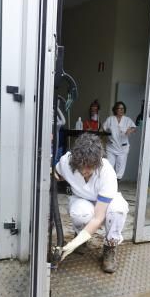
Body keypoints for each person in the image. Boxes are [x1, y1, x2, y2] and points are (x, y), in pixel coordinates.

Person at [55, 132, 129, 273]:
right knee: (79, 213)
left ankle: (109, 247)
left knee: (118, 210)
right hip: (82, 199)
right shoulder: (66, 161)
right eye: (80, 165)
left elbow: (98, 217)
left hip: (106, 204)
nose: (84, 170)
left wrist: (72, 244)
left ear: (98, 162)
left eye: (89, 167)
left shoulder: (106, 172)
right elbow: (57, 173)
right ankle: (81, 235)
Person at [102, 101, 137, 180]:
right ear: (115, 109)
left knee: (120, 167)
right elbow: (103, 129)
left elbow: (134, 128)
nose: (121, 110)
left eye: (122, 109)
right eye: (119, 108)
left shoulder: (127, 120)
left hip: (123, 147)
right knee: (109, 166)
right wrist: (106, 136)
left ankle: (117, 182)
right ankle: (109, 182)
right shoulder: (110, 119)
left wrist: (130, 130)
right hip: (111, 147)